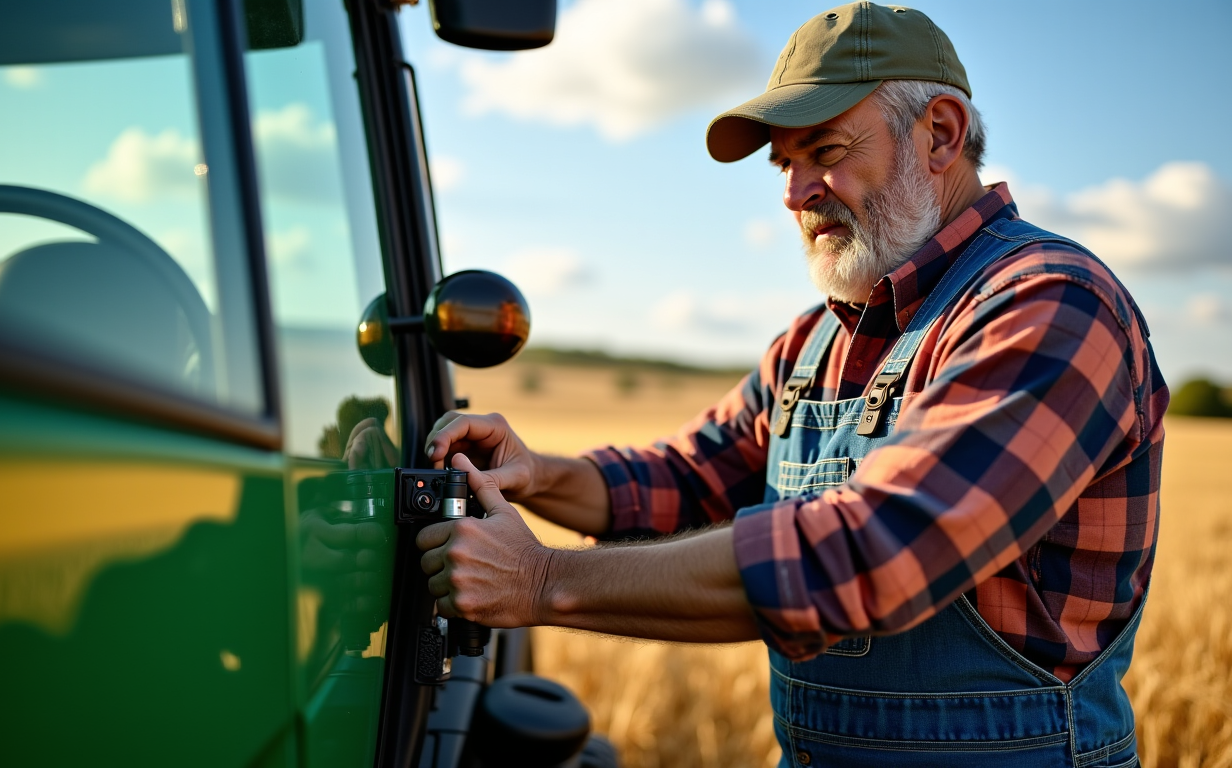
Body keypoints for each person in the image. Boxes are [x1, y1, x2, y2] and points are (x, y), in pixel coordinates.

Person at [416, 3, 1167, 765]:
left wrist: (541, 579)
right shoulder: (814, 342)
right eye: (785, 164)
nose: (794, 192)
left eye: (825, 151)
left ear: (940, 133)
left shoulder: (1050, 304)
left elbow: (875, 551)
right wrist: (537, 473)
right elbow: (688, 477)